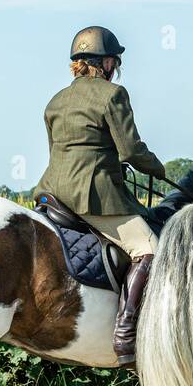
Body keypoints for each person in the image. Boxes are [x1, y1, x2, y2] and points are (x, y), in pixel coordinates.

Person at [34, 26, 165, 363]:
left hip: (51, 193)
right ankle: (124, 333)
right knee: (148, 249)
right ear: (105, 62)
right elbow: (131, 151)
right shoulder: (113, 95)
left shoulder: (55, 101)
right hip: (93, 197)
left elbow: (56, 151)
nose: (115, 69)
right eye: (114, 62)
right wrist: (157, 169)